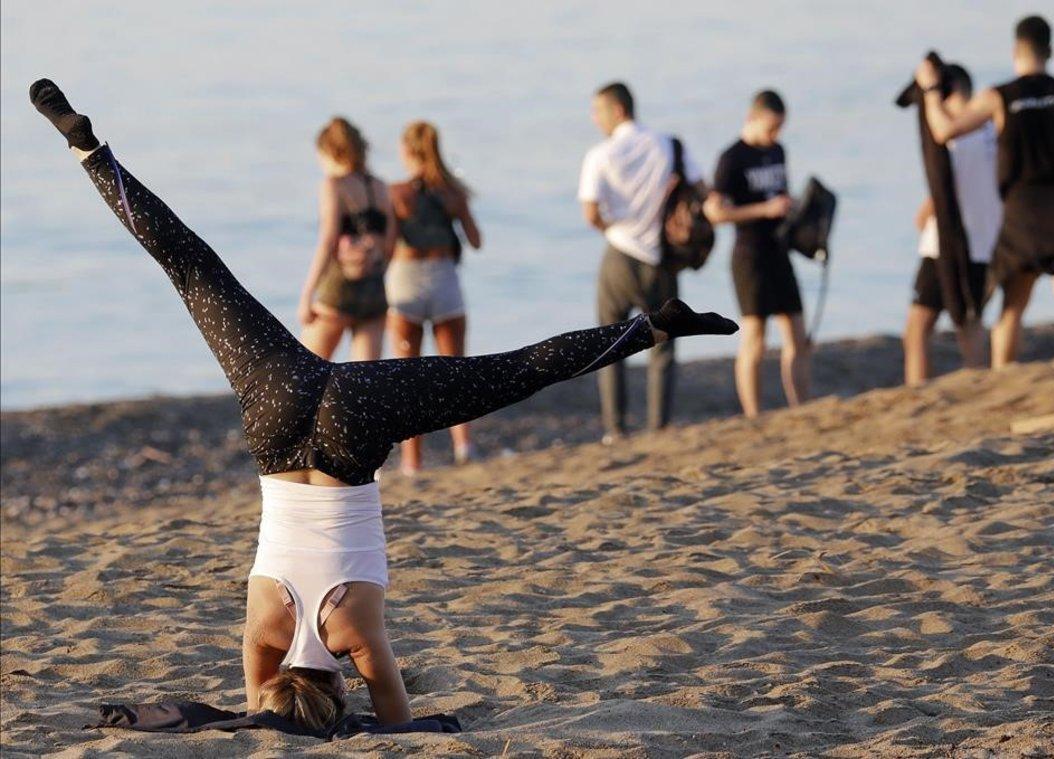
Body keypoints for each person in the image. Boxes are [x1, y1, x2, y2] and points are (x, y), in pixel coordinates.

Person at [31, 79, 737, 731]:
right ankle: (90, 151)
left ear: (337, 691)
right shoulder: (266, 632)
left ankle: (648, 326)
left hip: (353, 422)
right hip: (277, 420)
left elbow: (394, 722)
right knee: (193, 268)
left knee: (510, 374)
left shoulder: (353, 635)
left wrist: (353, 718)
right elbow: (253, 711)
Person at [916, 15, 1054, 366]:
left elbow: (945, 131)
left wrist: (929, 90)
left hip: (1019, 213)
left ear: (1016, 50)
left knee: (1012, 307)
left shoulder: (997, 97)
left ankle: (1004, 375)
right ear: (1050, 50)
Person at [578, 81, 703, 442]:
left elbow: (590, 212)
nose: (594, 118)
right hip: (660, 257)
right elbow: (700, 187)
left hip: (619, 254)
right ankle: (659, 424)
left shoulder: (600, 154)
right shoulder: (668, 145)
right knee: (663, 344)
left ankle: (616, 428)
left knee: (609, 342)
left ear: (617, 110)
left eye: (597, 110)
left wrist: (609, 228)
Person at [704, 90, 808, 417]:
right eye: (771, 128)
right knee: (755, 337)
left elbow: (780, 195)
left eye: (779, 128)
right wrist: (764, 209)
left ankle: (800, 407)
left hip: (780, 250)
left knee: (797, 332)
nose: (775, 135)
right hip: (749, 255)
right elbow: (715, 213)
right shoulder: (731, 158)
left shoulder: (778, 151)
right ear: (752, 118)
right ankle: (753, 414)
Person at [387, 121, 482, 475]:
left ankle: (413, 462)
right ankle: (464, 446)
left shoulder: (395, 193)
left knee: (408, 375)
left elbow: (387, 245)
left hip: (405, 282)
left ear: (408, 151)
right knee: (455, 369)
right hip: (444, 280)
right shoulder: (453, 193)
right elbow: (475, 240)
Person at [903, 65, 1001, 385]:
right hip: (986, 242)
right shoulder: (991, 129)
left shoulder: (958, 133)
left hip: (945, 242)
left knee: (918, 328)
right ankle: (979, 383)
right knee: (970, 324)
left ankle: (917, 392)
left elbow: (944, 187)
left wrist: (922, 215)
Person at [296, 118, 395, 361]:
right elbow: (390, 243)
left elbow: (328, 241)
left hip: (339, 288)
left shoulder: (333, 185)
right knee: (365, 381)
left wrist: (307, 296)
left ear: (329, 152)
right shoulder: (380, 187)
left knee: (304, 370)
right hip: (374, 289)